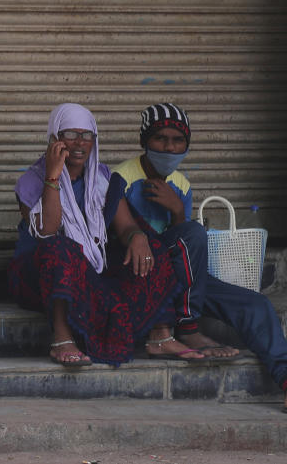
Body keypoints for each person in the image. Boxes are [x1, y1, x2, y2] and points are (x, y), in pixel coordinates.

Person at [112, 103, 287, 410]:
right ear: (144, 141)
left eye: (178, 140)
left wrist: (178, 210)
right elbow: (123, 236)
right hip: (141, 273)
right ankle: (189, 329)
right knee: (194, 232)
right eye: (160, 138)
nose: (169, 147)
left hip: (180, 277)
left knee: (256, 304)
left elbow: (185, 247)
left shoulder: (182, 184)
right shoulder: (121, 178)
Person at [7, 103, 204, 367]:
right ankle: (62, 339)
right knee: (60, 248)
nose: (79, 143)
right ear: (54, 138)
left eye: (86, 135)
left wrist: (137, 236)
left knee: (152, 245)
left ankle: (160, 335)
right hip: (39, 276)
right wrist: (53, 176)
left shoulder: (102, 178)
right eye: (70, 134)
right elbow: (47, 232)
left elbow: (125, 227)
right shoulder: (32, 181)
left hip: (90, 269)